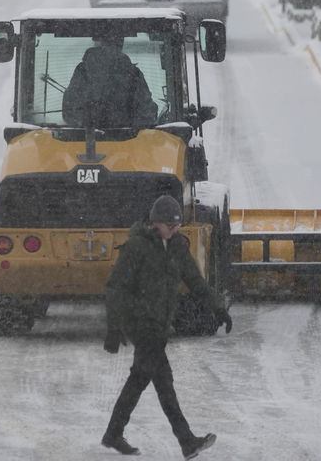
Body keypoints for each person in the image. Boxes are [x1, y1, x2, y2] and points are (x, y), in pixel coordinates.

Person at [101, 194, 232, 459]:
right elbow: (116, 287)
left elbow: (195, 280)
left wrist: (218, 308)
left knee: (146, 380)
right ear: (155, 223)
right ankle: (185, 440)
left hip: (160, 324)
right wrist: (114, 328)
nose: (174, 230)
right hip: (139, 322)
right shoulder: (136, 247)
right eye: (170, 226)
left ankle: (114, 434)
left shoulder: (177, 248)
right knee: (160, 382)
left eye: (177, 226)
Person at [62, 34, 158, 128]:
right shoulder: (133, 74)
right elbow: (146, 113)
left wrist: (89, 125)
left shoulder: (82, 71)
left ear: (99, 42)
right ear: (120, 43)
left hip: (85, 140)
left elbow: (70, 111)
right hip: (129, 141)